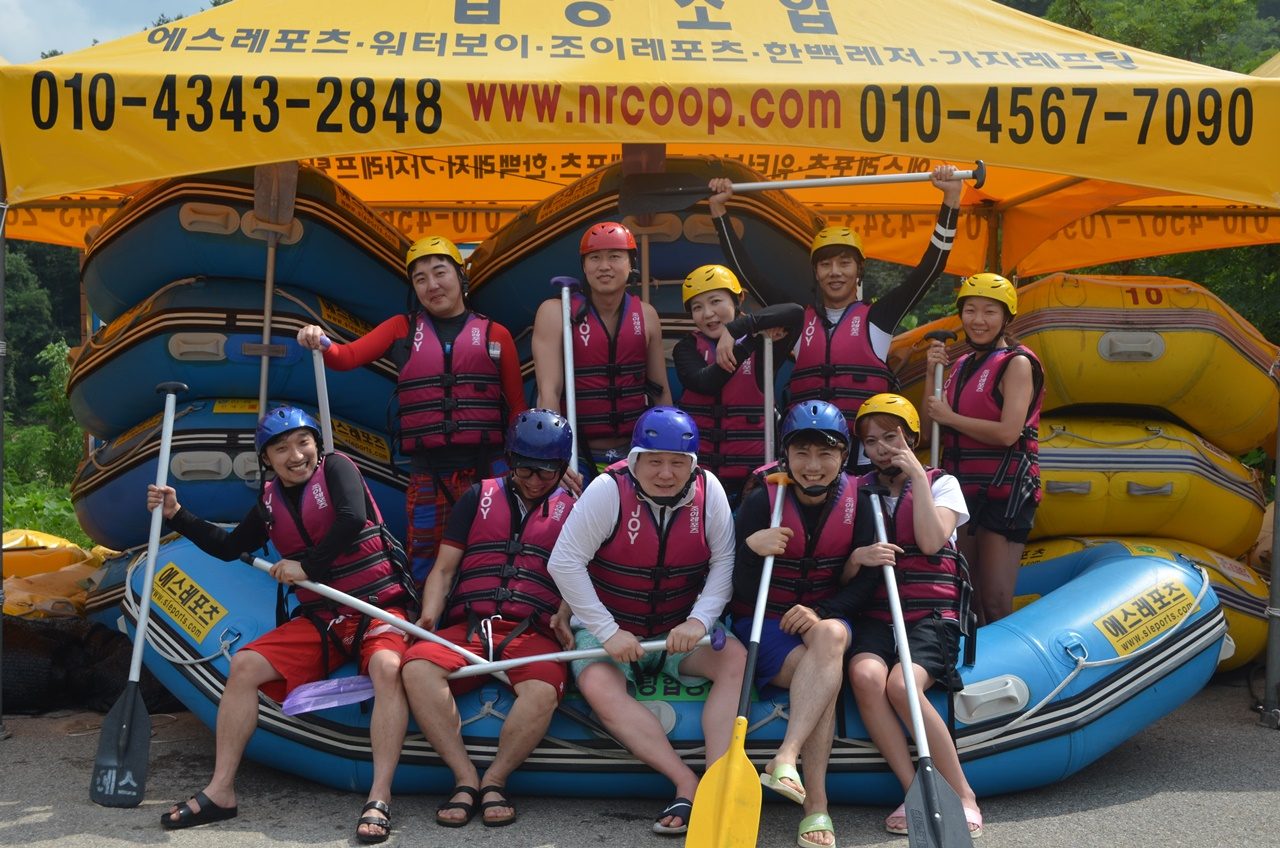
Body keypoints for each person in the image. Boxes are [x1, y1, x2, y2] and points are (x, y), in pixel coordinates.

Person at [148, 406, 416, 844]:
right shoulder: (270, 503)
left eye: (303, 442)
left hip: (377, 609)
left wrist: (307, 566)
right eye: (281, 448)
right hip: (324, 621)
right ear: (266, 459)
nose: (296, 455)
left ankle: (379, 796)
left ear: (316, 444)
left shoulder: (338, 468)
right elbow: (228, 547)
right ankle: (221, 791)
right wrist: (178, 514)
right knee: (244, 666)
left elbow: (351, 517)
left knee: (387, 668)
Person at [546, 406, 746, 835]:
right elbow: (564, 563)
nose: (666, 473)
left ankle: (718, 780)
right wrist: (607, 632)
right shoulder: (607, 490)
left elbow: (725, 562)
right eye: (654, 461)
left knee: (736, 660)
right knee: (598, 684)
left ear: (693, 464)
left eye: (678, 462)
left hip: (678, 627)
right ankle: (685, 782)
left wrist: (699, 621)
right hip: (612, 628)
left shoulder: (709, 490)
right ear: (635, 459)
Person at [298, 236, 527, 582]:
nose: (432, 285)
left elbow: (518, 410)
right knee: (425, 562)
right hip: (428, 472)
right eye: (420, 279)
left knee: (491, 554)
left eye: (440, 272)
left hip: (488, 470)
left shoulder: (497, 334)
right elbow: (346, 357)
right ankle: (424, 611)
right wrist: (321, 341)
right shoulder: (400, 329)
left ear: (460, 276)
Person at [707, 166, 963, 467]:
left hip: (864, 455)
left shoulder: (879, 317)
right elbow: (748, 273)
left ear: (859, 271)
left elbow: (930, 268)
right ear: (815, 272)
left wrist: (951, 200)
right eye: (826, 264)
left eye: (845, 263)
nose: (835, 272)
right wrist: (719, 211)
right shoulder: (797, 319)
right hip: (809, 455)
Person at [403, 408, 577, 829]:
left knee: (542, 692)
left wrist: (565, 614)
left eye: (547, 471)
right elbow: (444, 569)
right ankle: (464, 778)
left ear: (562, 467)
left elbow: (582, 576)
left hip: (532, 630)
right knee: (417, 668)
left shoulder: (577, 509)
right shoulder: (475, 497)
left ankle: (495, 780)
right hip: (470, 626)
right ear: (510, 459)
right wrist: (429, 614)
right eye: (526, 469)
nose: (535, 480)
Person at [731, 399, 879, 848]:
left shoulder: (862, 503)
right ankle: (816, 805)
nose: (813, 466)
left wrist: (823, 610)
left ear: (844, 455)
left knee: (830, 636)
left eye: (825, 453)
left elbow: (867, 584)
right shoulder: (762, 501)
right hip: (766, 623)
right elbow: (736, 586)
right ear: (786, 455)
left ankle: (786, 756)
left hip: (824, 620)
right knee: (823, 680)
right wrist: (750, 548)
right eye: (802, 453)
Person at [846, 393, 982, 838]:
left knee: (902, 685)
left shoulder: (944, 485)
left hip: (931, 615)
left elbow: (929, 541)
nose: (882, 449)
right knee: (865, 676)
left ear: (912, 438)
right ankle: (915, 790)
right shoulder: (856, 491)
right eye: (871, 442)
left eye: (891, 437)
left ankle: (963, 793)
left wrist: (918, 479)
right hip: (878, 615)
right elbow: (840, 571)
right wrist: (859, 557)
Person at [921, 273, 1044, 624]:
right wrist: (931, 373)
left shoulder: (1017, 363)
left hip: (1005, 494)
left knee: (994, 598)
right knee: (968, 595)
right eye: (970, 310)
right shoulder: (961, 365)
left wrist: (951, 417)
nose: (978, 320)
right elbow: (929, 428)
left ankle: (1008, 656)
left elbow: (1008, 433)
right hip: (963, 491)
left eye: (989, 311)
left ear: (1006, 317)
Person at [531, 221, 672, 487]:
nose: (604, 266)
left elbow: (660, 392)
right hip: (576, 454)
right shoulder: (555, 312)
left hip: (635, 453)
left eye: (615, 257)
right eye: (595, 258)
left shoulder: (647, 316)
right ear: (584, 266)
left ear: (631, 264)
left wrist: (667, 451)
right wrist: (554, 455)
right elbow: (549, 392)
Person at [673, 263, 804, 506]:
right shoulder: (686, 348)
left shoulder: (766, 345)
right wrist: (747, 344)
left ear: (738, 299)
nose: (708, 313)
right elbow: (706, 383)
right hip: (700, 482)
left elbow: (796, 313)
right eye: (697, 307)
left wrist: (738, 329)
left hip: (752, 483)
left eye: (715, 301)